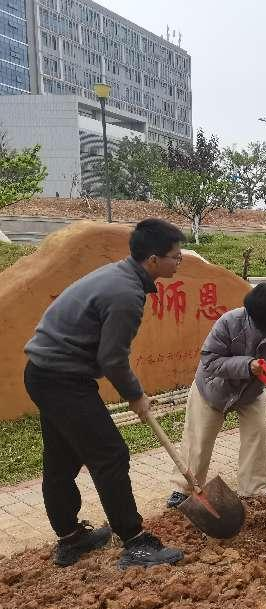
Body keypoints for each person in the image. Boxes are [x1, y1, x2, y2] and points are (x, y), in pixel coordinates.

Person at [23, 219, 186, 569]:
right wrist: (136, 395)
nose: (179, 262)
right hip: (62, 378)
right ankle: (135, 543)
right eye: (176, 256)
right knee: (110, 454)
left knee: (61, 459)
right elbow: (112, 357)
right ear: (153, 260)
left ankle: (71, 538)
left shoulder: (119, 275)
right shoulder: (126, 293)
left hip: (45, 373)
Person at [166, 283, 266, 509]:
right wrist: (248, 365)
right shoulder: (229, 322)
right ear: (259, 313)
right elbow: (210, 361)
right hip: (213, 387)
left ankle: (255, 487)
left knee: (257, 434)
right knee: (199, 439)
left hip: (252, 392)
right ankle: (185, 487)